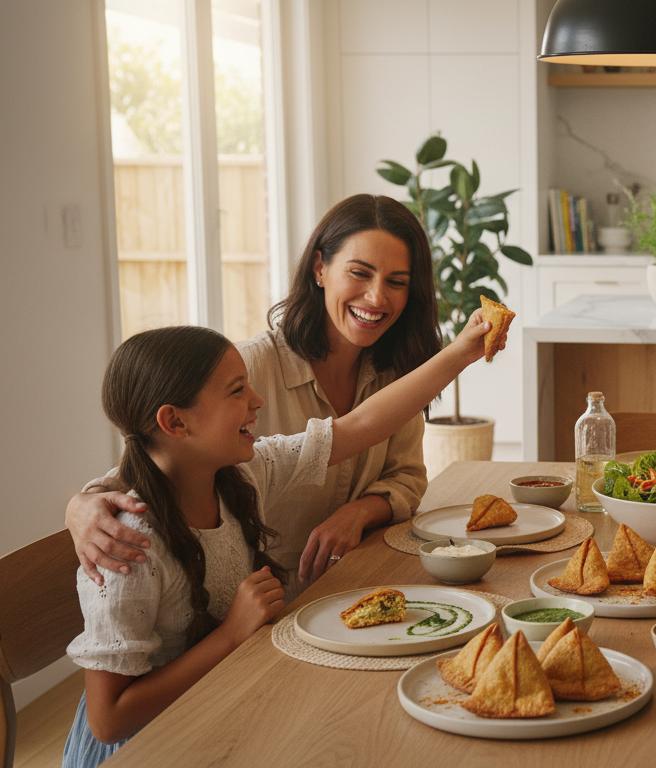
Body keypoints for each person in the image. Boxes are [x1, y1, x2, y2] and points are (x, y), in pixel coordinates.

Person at [63, 312, 499, 767]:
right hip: (149, 748)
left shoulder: (244, 475)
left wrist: (464, 351)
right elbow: (108, 720)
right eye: (236, 391)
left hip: (222, 705)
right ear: (174, 422)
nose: (257, 400)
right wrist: (232, 634)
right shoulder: (128, 546)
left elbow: (362, 424)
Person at [67, 194, 442, 593]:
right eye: (360, 273)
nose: (377, 297)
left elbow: (407, 476)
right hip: (261, 605)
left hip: (358, 581)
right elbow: (151, 461)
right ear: (320, 268)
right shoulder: (247, 371)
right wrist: (81, 505)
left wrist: (359, 512)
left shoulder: (397, 375)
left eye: (396, 282)